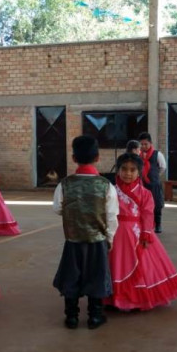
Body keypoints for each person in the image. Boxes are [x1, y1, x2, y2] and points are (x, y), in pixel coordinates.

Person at [53, 135, 118, 330]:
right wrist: (110, 237)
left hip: (73, 240)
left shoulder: (64, 184)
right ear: (97, 158)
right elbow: (112, 215)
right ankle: (95, 317)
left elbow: (57, 208)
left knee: (71, 275)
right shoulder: (106, 185)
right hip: (98, 240)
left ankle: (71, 317)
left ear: (74, 158)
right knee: (96, 276)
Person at [106, 152, 177, 310]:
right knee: (116, 265)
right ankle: (114, 297)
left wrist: (146, 233)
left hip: (137, 234)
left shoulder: (145, 193)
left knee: (143, 267)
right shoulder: (111, 191)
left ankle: (136, 299)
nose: (128, 173)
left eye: (132, 170)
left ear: (140, 172)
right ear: (117, 170)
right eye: (124, 169)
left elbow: (148, 215)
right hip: (116, 233)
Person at [137, 132, 166, 233]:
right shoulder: (138, 155)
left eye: (146, 144)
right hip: (142, 185)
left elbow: (163, 167)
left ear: (150, 143)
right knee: (143, 206)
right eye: (142, 144)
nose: (144, 146)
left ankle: (158, 225)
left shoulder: (157, 154)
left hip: (154, 185)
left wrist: (155, 176)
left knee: (156, 205)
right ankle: (144, 225)